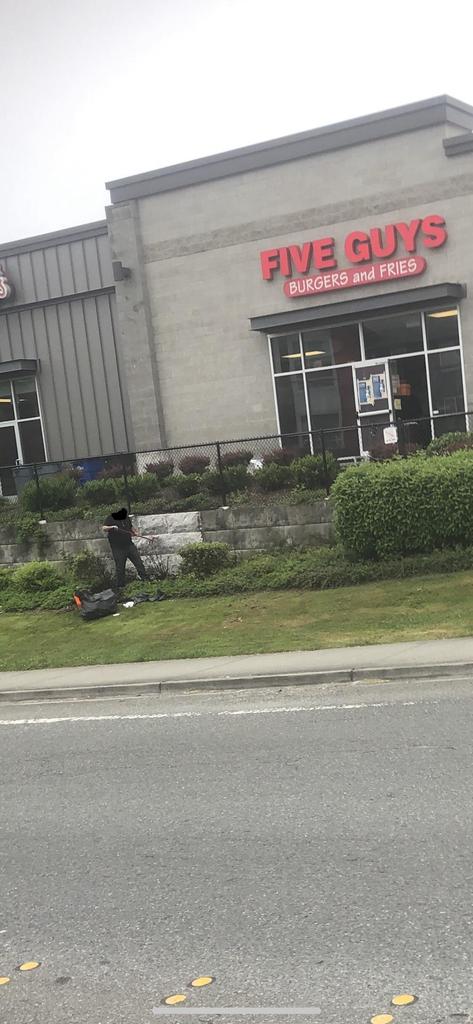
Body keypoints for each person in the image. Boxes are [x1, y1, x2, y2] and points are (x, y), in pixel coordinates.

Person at [102, 508, 148, 590]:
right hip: (117, 548)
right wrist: (112, 527)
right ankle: (121, 587)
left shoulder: (126, 518)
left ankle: (146, 581)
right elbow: (104, 528)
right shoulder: (111, 518)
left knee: (139, 563)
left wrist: (135, 532)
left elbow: (131, 527)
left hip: (129, 545)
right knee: (120, 567)